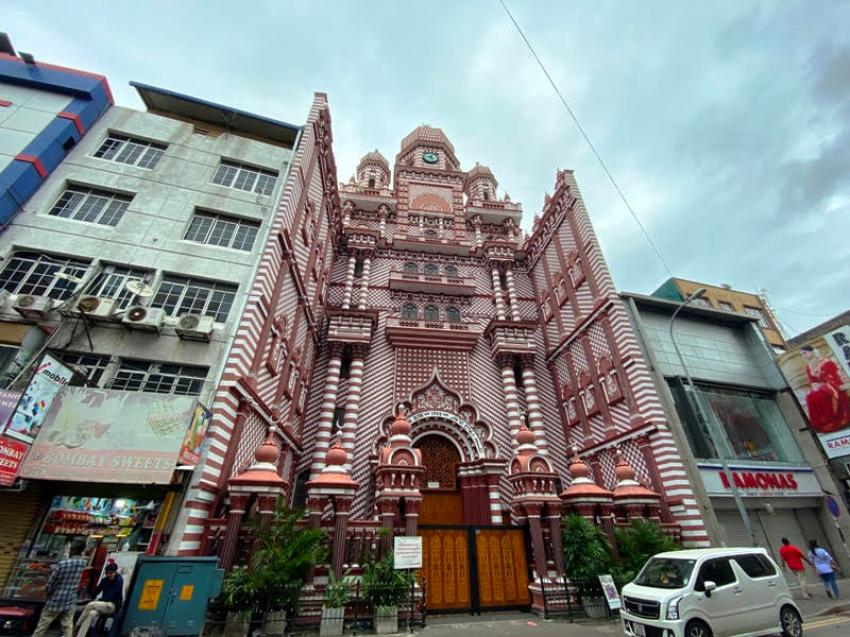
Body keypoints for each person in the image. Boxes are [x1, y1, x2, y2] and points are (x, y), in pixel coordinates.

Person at [32, 540, 87, 637]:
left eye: (70, 549)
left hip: (56, 599)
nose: (69, 551)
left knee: (42, 625)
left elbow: (51, 583)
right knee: (67, 625)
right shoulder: (82, 563)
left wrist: (48, 593)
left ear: (74, 550)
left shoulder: (63, 564)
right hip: (70, 599)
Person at [800, 345, 850, 434]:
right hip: (821, 387)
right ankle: (824, 422)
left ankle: (835, 419)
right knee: (810, 396)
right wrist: (815, 386)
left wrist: (827, 384)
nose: (803, 356)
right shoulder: (809, 367)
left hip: (833, 384)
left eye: (805, 353)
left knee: (822, 392)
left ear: (812, 351)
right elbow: (812, 381)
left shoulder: (826, 362)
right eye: (802, 354)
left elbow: (835, 376)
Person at [75, 562, 124, 637]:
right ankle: (80, 635)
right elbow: (98, 589)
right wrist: (92, 596)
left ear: (115, 572)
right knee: (91, 614)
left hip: (112, 605)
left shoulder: (119, 580)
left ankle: (76, 626)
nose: (109, 575)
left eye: (111, 573)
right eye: (107, 573)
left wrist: (96, 601)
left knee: (90, 605)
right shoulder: (105, 580)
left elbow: (110, 595)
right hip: (103, 605)